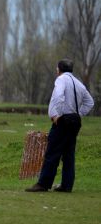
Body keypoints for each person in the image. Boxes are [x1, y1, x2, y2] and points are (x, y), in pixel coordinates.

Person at [26, 59, 94, 193]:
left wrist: (54, 114)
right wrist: (78, 114)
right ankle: (66, 185)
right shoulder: (78, 83)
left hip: (63, 120)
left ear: (58, 69)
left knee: (52, 152)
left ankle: (43, 184)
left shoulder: (61, 79)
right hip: (75, 121)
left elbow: (57, 96)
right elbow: (90, 102)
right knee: (69, 154)